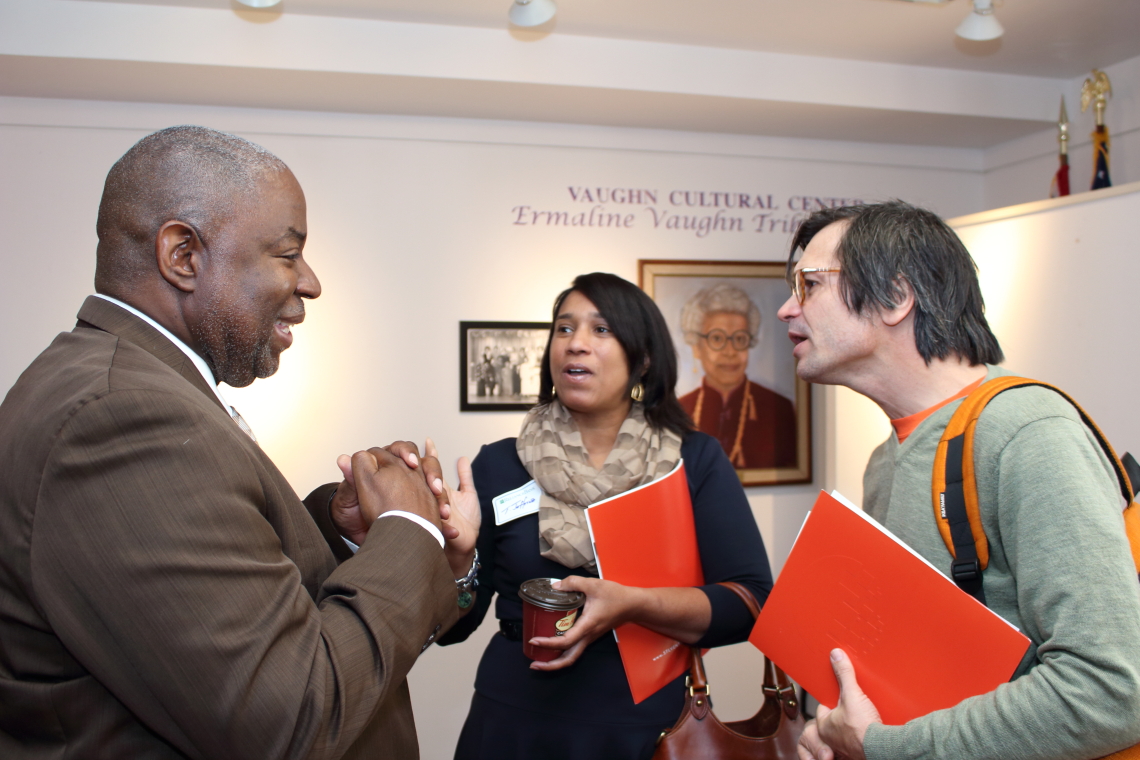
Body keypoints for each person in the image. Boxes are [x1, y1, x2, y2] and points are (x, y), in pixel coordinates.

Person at [0, 126, 480, 759]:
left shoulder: (131, 387)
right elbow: (289, 718)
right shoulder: (121, 417)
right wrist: (406, 526)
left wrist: (347, 534)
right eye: (287, 253)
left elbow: (225, 611)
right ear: (183, 255)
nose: (310, 282)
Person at [775, 201, 1140, 760]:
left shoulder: (1027, 433)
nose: (785, 310)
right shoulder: (885, 459)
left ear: (896, 298)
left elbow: (1112, 691)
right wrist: (837, 732)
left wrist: (885, 747)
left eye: (809, 285)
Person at [438, 272, 773, 760]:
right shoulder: (499, 465)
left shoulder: (691, 462)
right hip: (513, 721)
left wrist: (633, 603)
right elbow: (454, 629)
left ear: (643, 358)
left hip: (642, 726)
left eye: (601, 330)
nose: (576, 344)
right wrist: (457, 561)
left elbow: (749, 605)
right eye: (564, 328)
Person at [678, 283, 797, 469]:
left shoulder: (778, 409)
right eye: (717, 338)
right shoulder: (679, 411)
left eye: (740, 339)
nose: (730, 351)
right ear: (696, 347)